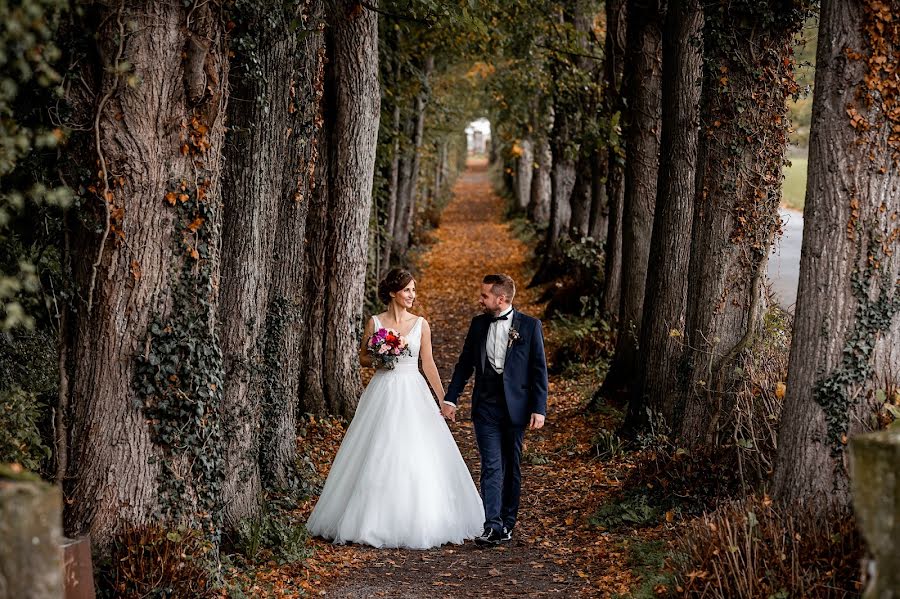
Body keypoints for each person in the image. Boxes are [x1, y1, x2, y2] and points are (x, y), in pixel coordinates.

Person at [306, 268, 484, 549]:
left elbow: (428, 363)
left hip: (413, 390)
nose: (413, 295)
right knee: (378, 448)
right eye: (407, 290)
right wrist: (381, 355)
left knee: (416, 450)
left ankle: (420, 517)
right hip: (383, 390)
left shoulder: (421, 324)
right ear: (392, 293)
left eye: (414, 290)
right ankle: (369, 519)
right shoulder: (375, 322)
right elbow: (363, 358)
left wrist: (443, 399)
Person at [443, 273, 548, 546]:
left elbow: (539, 370)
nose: (480, 300)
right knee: (491, 465)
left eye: (485, 296)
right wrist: (451, 398)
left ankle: (507, 522)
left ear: (501, 299)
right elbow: (465, 364)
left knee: (511, 466)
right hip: (485, 405)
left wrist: (539, 408)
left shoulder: (529, 326)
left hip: (516, 408)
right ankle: (492, 526)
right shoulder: (478, 325)